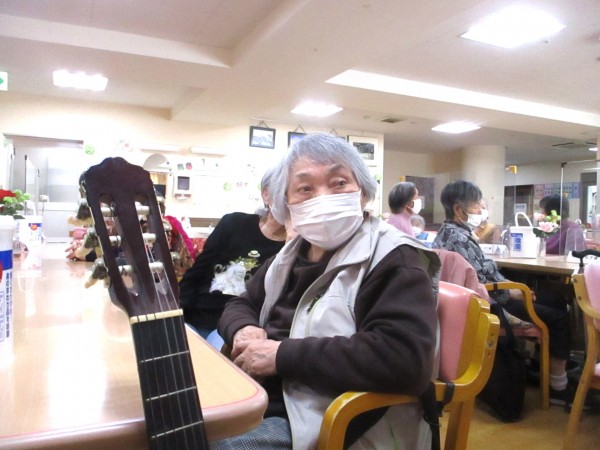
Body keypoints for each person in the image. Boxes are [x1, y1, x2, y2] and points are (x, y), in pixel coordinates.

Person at [212, 133, 440, 450]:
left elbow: (405, 360)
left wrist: (280, 355)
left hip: (332, 417)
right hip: (267, 394)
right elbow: (241, 303)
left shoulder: (393, 258)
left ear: (362, 193)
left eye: (339, 182)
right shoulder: (289, 255)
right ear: (286, 204)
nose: (323, 198)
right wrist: (244, 329)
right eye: (305, 188)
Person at [432, 180, 574, 407]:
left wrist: (512, 287)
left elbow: (479, 275)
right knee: (559, 319)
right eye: (477, 206)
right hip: (490, 303)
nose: (482, 210)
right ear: (458, 209)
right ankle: (558, 387)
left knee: (555, 300)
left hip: (487, 295)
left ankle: (542, 369)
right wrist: (512, 292)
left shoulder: (449, 233)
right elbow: (479, 284)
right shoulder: (459, 238)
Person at [179, 168, 288, 338]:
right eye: (283, 191)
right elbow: (197, 272)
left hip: (237, 326)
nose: (288, 201)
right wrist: (177, 312)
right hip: (195, 315)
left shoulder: (295, 244)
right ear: (266, 194)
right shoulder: (234, 223)